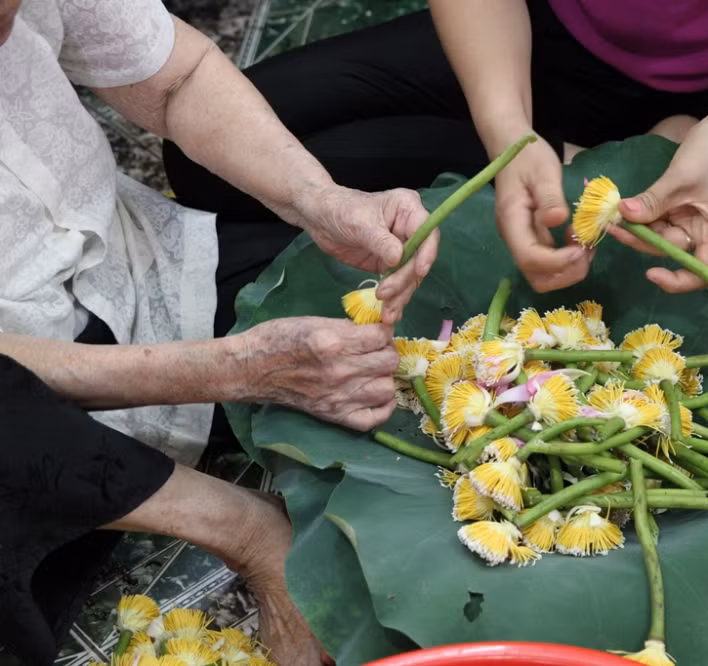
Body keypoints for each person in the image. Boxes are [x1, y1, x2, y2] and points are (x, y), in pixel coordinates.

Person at [166, 0, 708, 392]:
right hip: (555, 33)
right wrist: (510, 135)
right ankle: (589, 167)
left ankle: (665, 171)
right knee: (216, 152)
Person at [0, 0, 438, 664]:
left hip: (132, 268)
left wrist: (320, 200)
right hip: (16, 407)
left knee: (399, 301)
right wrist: (234, 369)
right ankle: (247, 527)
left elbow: (178, 80)